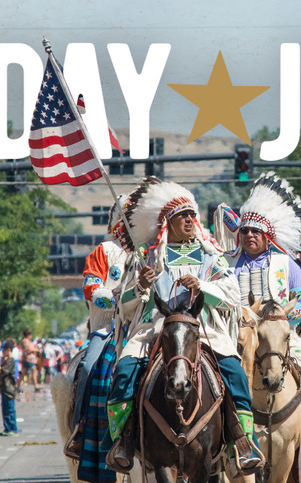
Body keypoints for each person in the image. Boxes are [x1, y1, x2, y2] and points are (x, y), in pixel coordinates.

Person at [105, 177, 262, 475]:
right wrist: (140, 286)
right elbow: (122, 306)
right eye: (183, 216)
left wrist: (202, 286)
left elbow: (233, 297)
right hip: (155, 328)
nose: (190, 220)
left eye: (192, 215)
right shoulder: (147, 256)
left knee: (236, 376)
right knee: (124, 373)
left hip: (203, 330)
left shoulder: (210, 255)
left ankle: (241, 442)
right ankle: (122, 440)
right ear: (168, 222)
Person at [222, 172, 301, 470]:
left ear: (267, 236)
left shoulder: (286, 263)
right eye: (245, 231)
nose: (249, 236)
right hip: (235, 337)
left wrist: (283, 316)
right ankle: (215, 446)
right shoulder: (226, 264)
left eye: (256, 232)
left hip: (281, 336)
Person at [63, 194, 135, 463]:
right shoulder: (104, 251)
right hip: (107, 329)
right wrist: (117, 299)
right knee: (90, 366)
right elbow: (90, 287)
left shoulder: (153, 251)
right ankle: (80, 431)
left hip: (145, 328)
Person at [0, 341, 20, 436]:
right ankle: (7, 428)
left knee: (10, 409)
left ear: (8, 350)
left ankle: (13, 429)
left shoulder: (11, 360)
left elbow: (4, 371)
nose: (2, 352)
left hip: (9, 388)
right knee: (5, 409)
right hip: (4, 388)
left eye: (4, 350)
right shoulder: (6, 360)